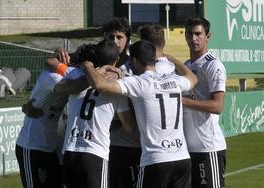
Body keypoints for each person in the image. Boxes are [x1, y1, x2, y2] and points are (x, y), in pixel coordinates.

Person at [82, 40, 198, 188]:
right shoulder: (174, 81)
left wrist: (88, 66)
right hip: (182, 158)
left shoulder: (139, 83)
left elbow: (99, 85)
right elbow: (193, 79)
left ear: (135, 61)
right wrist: (173, 59)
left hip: (156, 160)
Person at [59, 40, 137, 188]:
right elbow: (129, 128)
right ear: (117, 60)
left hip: (70, 150)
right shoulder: (116, 88)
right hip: (94, 153)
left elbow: (60, 86)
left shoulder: (78, 77)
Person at [183, 16, 227, 188]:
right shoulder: (186, 66)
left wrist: (184, 102)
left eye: (198, 34)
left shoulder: (213, 66)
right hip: (187, 149)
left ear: (208, 36)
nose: (193, 39)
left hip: (208, 148)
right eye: (189, 34)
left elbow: (217, 106)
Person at [15, 58, 70, 188]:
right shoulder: (51, 78)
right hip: (34, 146)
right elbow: (49, 62)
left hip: (55, 149)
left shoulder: (77, 86)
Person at [103, 17, 141, 188]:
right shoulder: (98, 65)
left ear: (128, 40)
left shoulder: (135, 66)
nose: (115, 42)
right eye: (111, 37)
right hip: (105, 146)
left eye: (119, 37)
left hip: (131, 143)